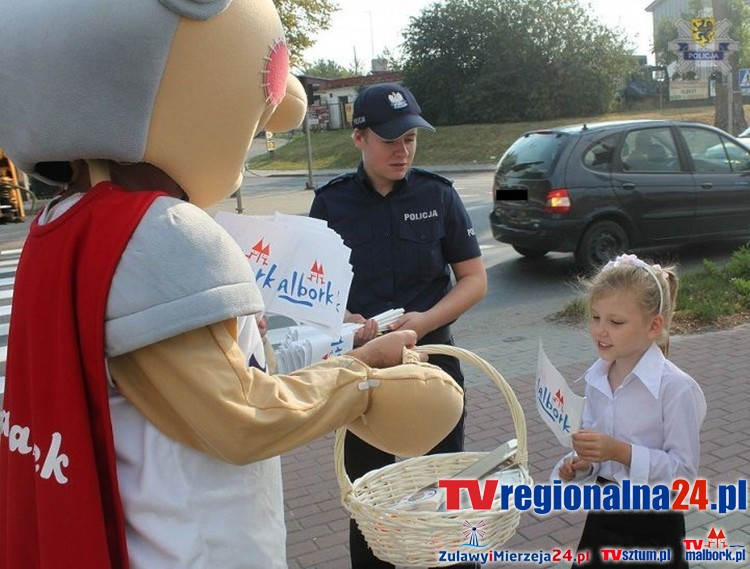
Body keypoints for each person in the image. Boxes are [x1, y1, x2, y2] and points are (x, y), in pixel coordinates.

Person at [0, 4, 466, 568]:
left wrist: (351, 345)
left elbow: (244, 365)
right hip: (196, 545)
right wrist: (363, 378)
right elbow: (243, 415)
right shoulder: (157, 230)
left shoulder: (62, 223)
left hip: (143, 528)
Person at [309, 83, 488, 569]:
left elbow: (473, 280)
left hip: (434, 363)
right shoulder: (331, 204)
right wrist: (348, 323)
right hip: (363, 371)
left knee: (449, 488)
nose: (402, 150)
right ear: (359, 138)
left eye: (410, 138)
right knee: (369, 497)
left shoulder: (439, 194)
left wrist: (426, 320)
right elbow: (313, 294)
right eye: (390, 140)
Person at [553, 253, 707, 568]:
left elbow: (684, 476)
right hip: (603, 519)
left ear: (654, 326)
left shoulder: (676, 389)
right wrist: (582, 465)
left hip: (654, 526)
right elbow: (600, 455)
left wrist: (622, 452)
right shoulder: (596, 379)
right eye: (595, 318)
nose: (600, 331)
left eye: (616, 322)